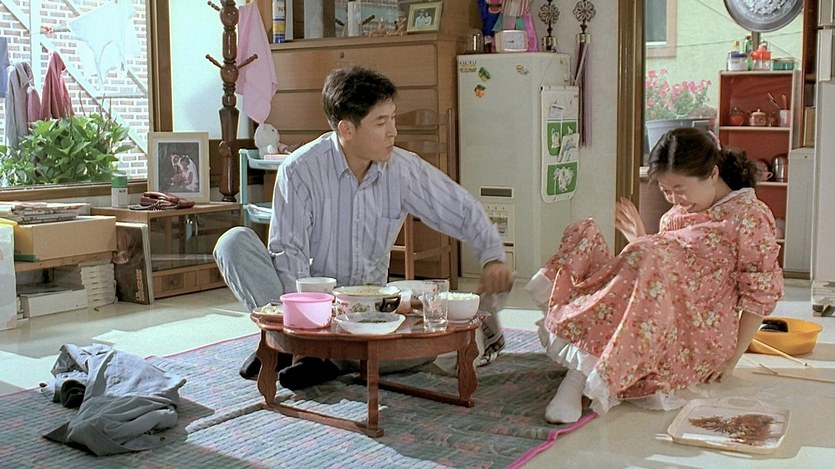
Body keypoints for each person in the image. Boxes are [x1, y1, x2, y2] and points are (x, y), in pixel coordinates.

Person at [214, 65, 514, 389]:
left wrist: (492, 256)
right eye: (381, 122)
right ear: (346, 129)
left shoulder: (402, 168)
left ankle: (312, 356)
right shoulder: (300, 170)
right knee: (233, 242)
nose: (393, 132)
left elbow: (459, 207)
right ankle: (303, 348)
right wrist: (305, 325)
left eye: (393, 118)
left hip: (369, 313)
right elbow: (290, 254)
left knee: (434, 343)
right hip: (309, 307)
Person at [525, 127, 783, 424]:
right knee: (588, 233)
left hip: (701, 332)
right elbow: (668, 271)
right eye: (665, 190)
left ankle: (578, 377)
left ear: (713, 174)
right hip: (662, 312)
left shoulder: (749, 216)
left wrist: (732, 359)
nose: (675, 199)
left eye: (680, 189)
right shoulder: (675, 214)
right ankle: (579, 357)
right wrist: (641, 238)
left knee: (646, 255)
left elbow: (759, 294)